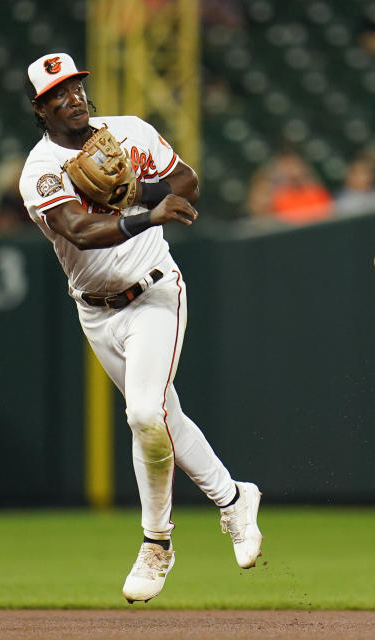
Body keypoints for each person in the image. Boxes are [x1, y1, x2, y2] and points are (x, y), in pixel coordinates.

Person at [18, 53, 262, 604]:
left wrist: (141, 193)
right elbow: (78, 230)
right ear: (40, 108)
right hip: (96, 311)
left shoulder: (127, 132)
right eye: (58, 93)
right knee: (163, 419)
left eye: (77, 86)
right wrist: (144, 210)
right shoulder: (39, 172)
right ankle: (234, 499)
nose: (73, 98)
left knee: (144, 413)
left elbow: (185, 182)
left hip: (153, 291)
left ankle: (157, 543)